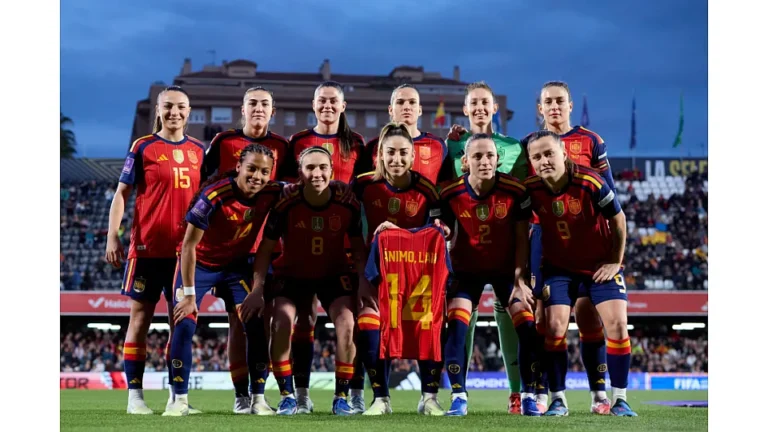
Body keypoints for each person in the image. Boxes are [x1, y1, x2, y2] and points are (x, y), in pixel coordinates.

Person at [105, 85, 206, 415]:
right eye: (168, 106)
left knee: (182, 324)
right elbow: (121, 193)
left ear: (189, 112)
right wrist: (113, 236)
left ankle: (178, 398)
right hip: (147, 250)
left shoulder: (199, 151)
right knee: (139, 319)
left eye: (181, 107)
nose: (174, 112)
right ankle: (135, 397)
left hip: (184, 255)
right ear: (159, 111)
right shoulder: (143, 146)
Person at [249, 146, 371, 416]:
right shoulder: (286, 203)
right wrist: (257, 289)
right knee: (280, 322)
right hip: (292, 275)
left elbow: (358, 249)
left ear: (332, 170)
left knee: (348, 323)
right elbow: (265, 250)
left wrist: (363, 280)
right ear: (300, 173)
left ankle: (341, 398)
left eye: (323, 167)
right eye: (310, 168)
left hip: (333, 274)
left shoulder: (347, 202)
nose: (317, 173)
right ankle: (287, 396)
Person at [523, 130, 636, 417]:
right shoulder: (530, 189)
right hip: (558, 269)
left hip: (598, 266)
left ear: (564, 153)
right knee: (554, 326)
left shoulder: (590, 181)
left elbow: (618, 218)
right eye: (537, 156)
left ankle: (619, 399)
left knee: (617, 324)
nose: (544, 160)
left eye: (549, 153)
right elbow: (522, 230)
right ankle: (557, 400)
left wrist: (615, 261)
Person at [163, 144, 282, 416]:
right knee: (184, 322)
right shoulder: (214, 195)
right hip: (199, 265)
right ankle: (178, 400)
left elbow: (302, 187)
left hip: (235, 268)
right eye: (251, 169)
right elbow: (188, 246)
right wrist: (189, 295)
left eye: (264, 172)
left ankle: (257, 399)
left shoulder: (273, 192)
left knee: (255, 322)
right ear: (238, 166)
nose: (257, 176)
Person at [441, 81, 529, 413]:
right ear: (465, 109)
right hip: (466, 251)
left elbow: (523, 195)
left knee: (514, 317)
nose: (479, 108)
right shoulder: (452, 146)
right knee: (462, 318)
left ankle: (519, 392)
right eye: (473, 103)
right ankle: (458, 393)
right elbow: (445, 193)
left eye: (485, 103)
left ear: (494, 108)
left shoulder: (514, 147)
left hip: (505, 250)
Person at [201, 86, 289, 414]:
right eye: (252, 103)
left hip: (268, 246)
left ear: (272, 111)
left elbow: (289, 189)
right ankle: (241, 395)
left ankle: (264, 393)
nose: (258, 108)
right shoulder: (223, 142)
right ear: (243, 108)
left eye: (264, 104)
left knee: (267, 320)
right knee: (238, 322)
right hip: (233, 250)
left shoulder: (282, 146)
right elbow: (203, 184)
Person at [351, 122, 449, 415]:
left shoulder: (427, 189)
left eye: (403, 152)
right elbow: (353, 233)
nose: (397, 158)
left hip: (418, 278)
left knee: (428, 328)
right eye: (390, 152)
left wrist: (402, 231)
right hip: (376, 274)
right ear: (380, 154)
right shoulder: (362, 186)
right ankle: (380, 399)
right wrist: (361, 275)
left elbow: (436, 232)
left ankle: (429, 398)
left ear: (413, 155)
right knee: (370, 326)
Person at [283, 81, 368, 413]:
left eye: (334, 100)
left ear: (343, 106)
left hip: (344, 247)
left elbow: (364, 188)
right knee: (304, 322)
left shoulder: (357, 143)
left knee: (352, 321)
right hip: (305, 244)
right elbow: (287, 187)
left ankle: (352, 393)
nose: (328, 105)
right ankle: (301, 395)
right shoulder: (298, 142)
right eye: (322, 100)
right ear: (313, 104)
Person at [364, 84, 448, 184]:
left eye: (412, 102)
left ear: (420, 110)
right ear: (390, 110)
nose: (407, 107)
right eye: (400, 102)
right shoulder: (374, 146)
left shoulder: (437, 145)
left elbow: (445, 185)